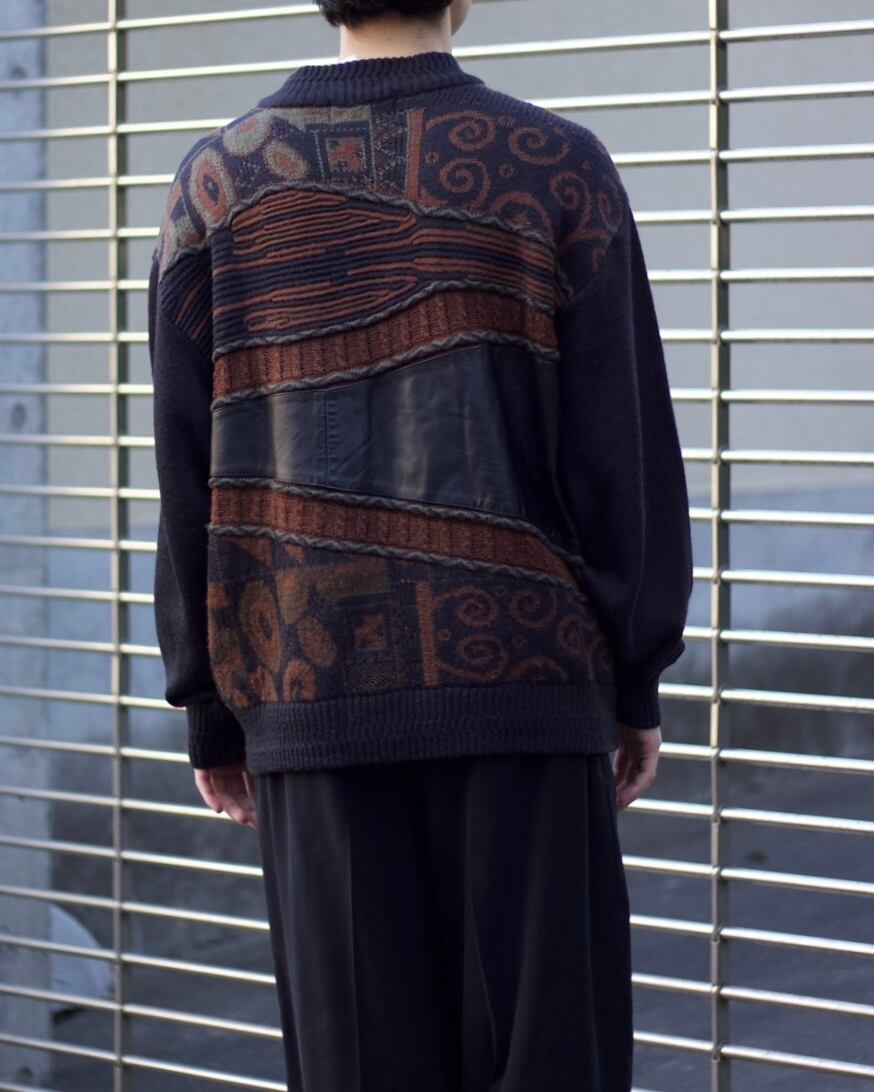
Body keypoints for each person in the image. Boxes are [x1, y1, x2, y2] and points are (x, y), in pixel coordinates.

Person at [147, 0, 694, 1087]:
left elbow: (186, 458)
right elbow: (620, 449)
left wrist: (208, 698)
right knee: (552, 1060)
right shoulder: (556, 165)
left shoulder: (217, 185)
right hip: (528, 689)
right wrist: (635, 673)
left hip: (309, 683)